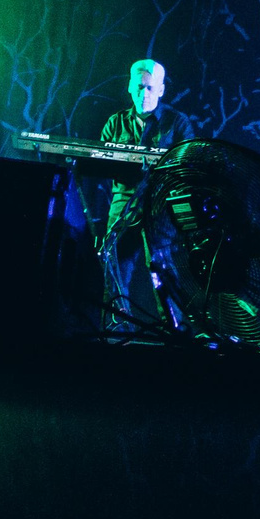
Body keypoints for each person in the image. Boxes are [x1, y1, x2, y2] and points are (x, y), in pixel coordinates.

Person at [98, 58, 191, 327]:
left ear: (161, 90)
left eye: (150, 88)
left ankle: (176, 333)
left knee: (162, 269)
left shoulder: (177, 123)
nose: (144, 93)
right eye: (139, 87)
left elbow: (187, 165)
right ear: (129, 86)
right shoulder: (115, 123)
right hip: (124, 203)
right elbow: (101, 164)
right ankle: (115, 330)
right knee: (115, 267)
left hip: (159, 206)